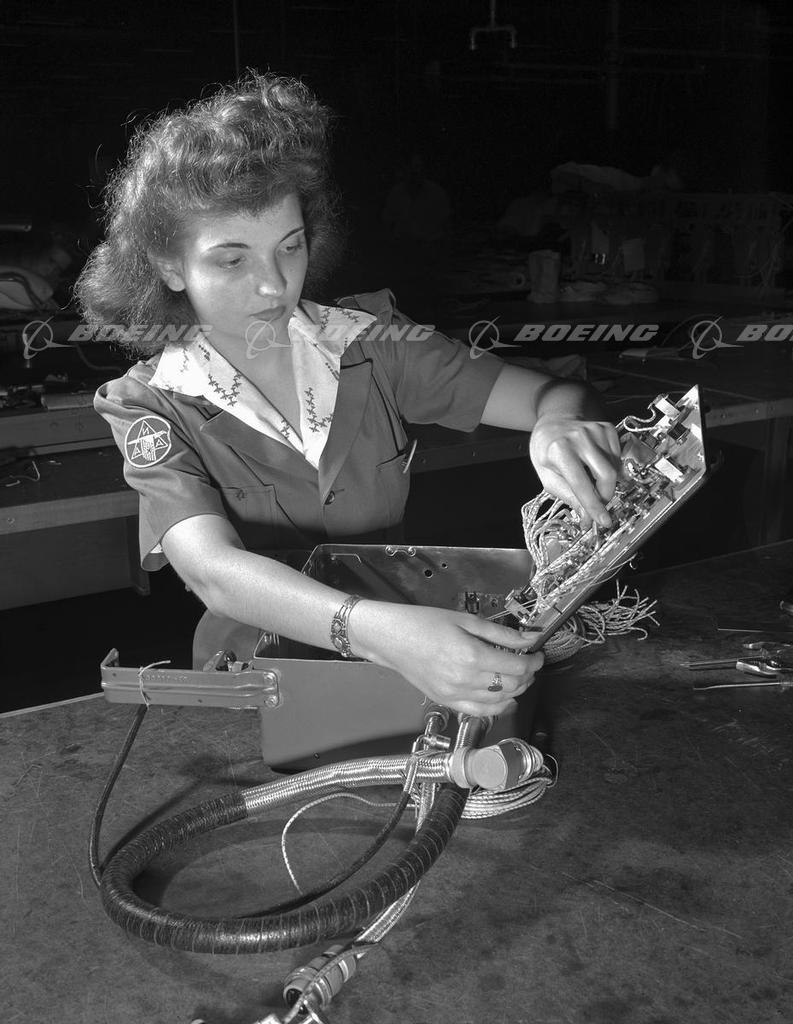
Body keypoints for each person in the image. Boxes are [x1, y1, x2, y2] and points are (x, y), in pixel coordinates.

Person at [76, 72, 621, 720]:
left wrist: (558, 425)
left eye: (290, 246)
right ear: (170, 267)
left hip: (414, 664)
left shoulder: (375, 342)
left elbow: (553, 394)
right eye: (232, 260)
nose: (274, 285)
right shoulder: (150, 403)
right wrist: (378, 633)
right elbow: (212, 569)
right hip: (257, 684)